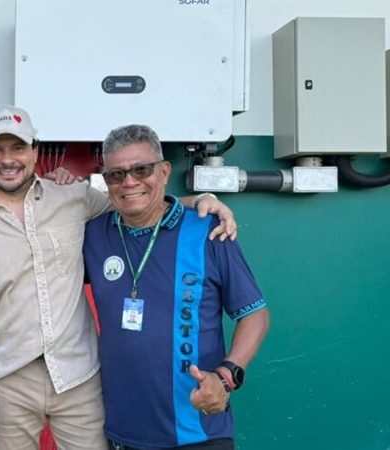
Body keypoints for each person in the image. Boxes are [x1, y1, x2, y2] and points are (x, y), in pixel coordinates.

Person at [0, 106, 238, 450]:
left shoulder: (74, 197)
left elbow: (137, 203)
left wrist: (202, 200)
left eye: (18, 148)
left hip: (79, 374)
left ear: (34, 151)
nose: (8, 159)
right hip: (7, 378)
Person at [82, 124, 270, 450]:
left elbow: (255, 314)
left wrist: (226, 378)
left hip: (198, 432)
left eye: (142, 169)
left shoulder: (207, 229)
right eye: (116, 174)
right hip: (122, 434)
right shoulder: (94, 234)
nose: (129, 182)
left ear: (164, 171)